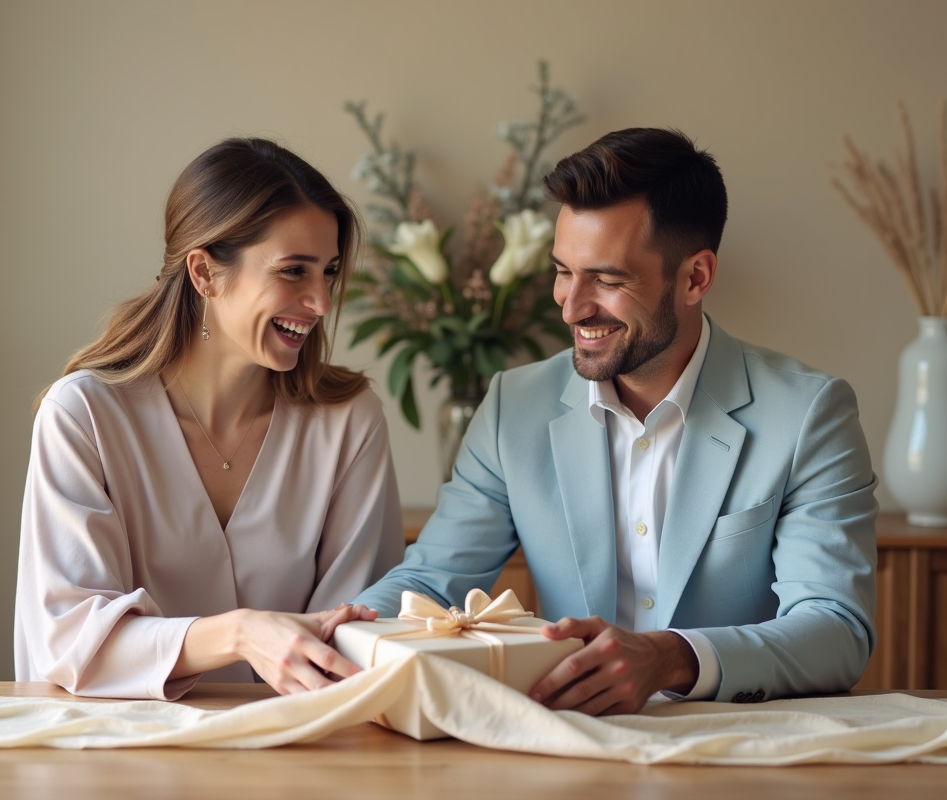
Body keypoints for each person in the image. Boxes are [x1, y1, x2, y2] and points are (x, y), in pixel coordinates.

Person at [355, 127, 878, 714]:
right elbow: (429, 583)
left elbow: (836, 630)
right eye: (562, 271)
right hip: (571, 743)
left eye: (606, 279)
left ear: (695, 277)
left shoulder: (810, 414)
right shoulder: (511, 407)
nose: (572, 306)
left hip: (741, 746)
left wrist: (670, 656)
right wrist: (342, 628)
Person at [15, 138, 403, 700]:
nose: (320, 301)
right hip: (111, 758)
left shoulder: (348, 423)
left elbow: (357, 633)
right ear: (204, 273)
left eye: (329, 271)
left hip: (296, 754)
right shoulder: (83, 417)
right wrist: (241, 634)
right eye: (293, 271)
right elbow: (68, 641)